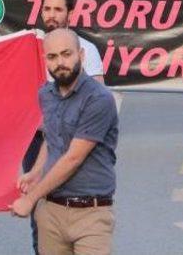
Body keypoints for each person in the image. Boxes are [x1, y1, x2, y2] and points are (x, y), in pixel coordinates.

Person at [10, 28, 118, 255]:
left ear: (81, 55)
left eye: (67, 54)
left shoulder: (99, 99)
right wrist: (35, 172)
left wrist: (30, 198)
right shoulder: (45, 95)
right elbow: (51, 139)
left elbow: (73, 157)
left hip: (91, 214)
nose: (60, 62)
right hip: (51, 213)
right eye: (52, 56)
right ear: (45, 60)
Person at [22, 0, 106, 254]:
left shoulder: (85, 49)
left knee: (75, 209)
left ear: (70, 14)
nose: (51, 15)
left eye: (58, 10)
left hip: (73, 141)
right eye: (47, 9)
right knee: (40, 212)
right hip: (36, 141)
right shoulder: (28, 47)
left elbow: (98, 97)